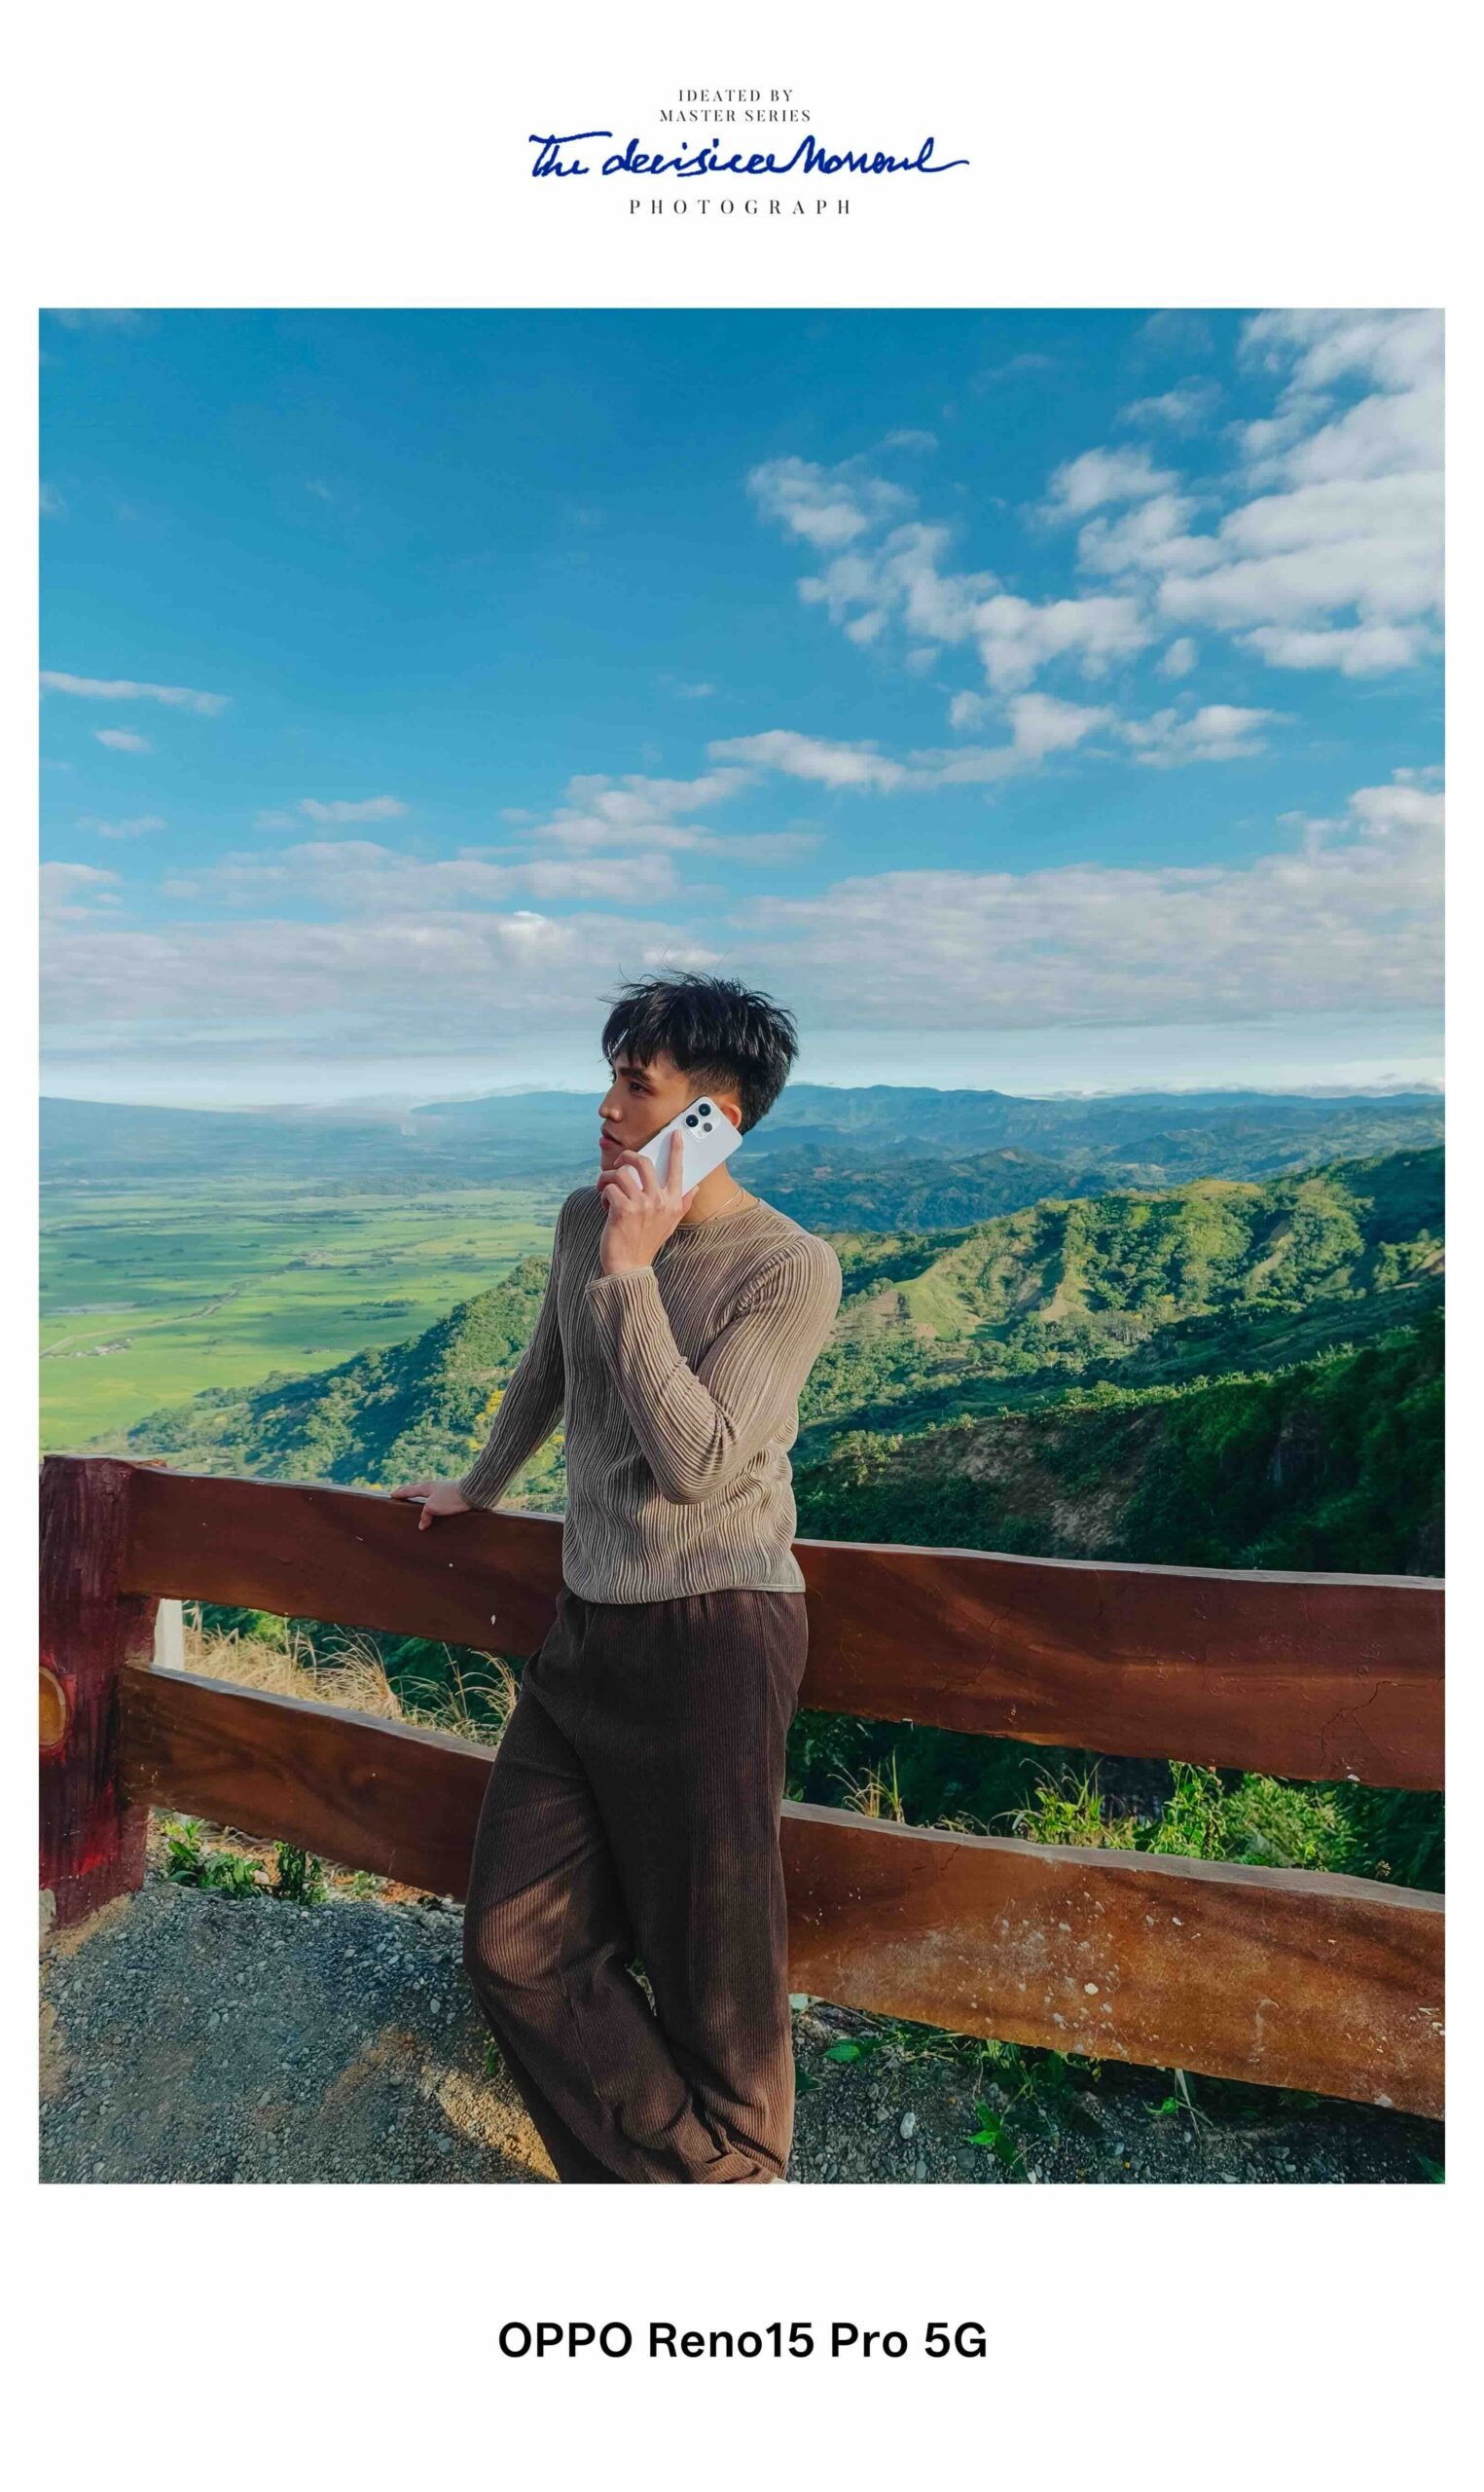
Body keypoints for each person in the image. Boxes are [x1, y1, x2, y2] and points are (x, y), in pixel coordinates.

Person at [391, 971, 842, 2182]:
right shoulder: (582, 1222)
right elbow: (549, 1366)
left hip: (714, 1631)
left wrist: (634, 1272)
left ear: (713, 1118)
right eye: (610, 1078)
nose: (604, 1107)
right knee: (512, 1945)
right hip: (587, 1621)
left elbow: (698, 1463)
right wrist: (480, 1484)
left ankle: (737, 2173)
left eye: (635, 1086)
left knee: (715, 1973)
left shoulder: (787, 1267)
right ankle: (686, 2188)